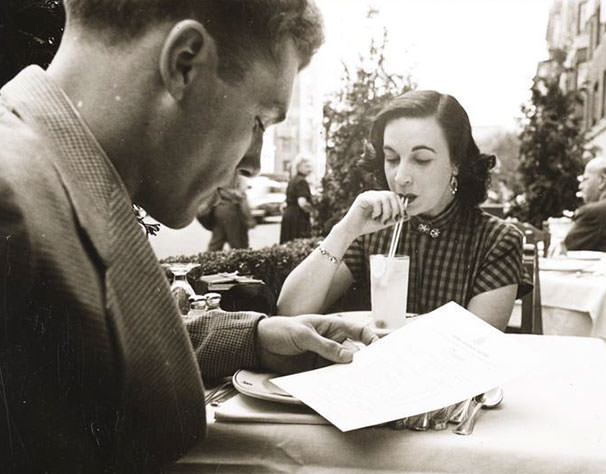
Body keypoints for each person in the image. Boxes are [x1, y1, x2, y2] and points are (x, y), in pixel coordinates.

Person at [0, 1, 377, 472]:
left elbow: (79, 338)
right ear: (184, 63)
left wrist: (256, 339)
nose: (255, 163)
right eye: (260, 120)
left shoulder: (49, 181)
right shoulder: (11, 204)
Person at [278, 90, 530, 331]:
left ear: (456, 162)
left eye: (421, 160)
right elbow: (289, 314)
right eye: (392, 158)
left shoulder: (496, 241)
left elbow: (475, 348)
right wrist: (345, 230)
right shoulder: (373, 231)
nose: (400, 177)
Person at [200, 173, 256, 251]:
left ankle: (209, 260)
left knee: (217, 242)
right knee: (238, 243)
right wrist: (249, 219)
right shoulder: (238, 177)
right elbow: (242, 198)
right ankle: (240, 261)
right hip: (232, 211)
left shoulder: (221, 174)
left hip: (219, 210)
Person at [279, 154, 314, 243]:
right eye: (307, 166)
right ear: (298, 166)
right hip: (298, 219)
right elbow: (302, 203)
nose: (310, 169)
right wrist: (313, 211)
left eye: (310, 166)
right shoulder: (302, 181)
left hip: (288, 217)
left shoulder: (292, 180)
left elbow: (285, 203)